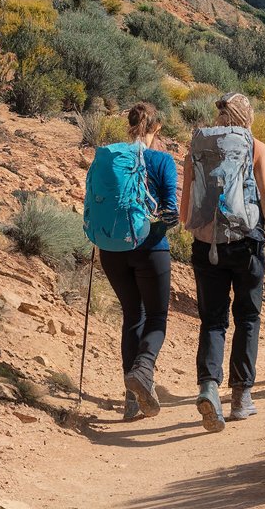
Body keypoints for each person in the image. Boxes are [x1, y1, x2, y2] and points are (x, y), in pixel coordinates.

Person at [179, 92, 265, 432]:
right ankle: (241, 397)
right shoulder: (256, 147)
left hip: (205, 242)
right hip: (246, 244)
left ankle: (208, 387)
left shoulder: (198, 145)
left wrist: (194, 230)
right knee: (247, 318)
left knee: (212, 320)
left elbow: (185, 207)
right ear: (247, 116)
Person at [96, 102, 178, 422]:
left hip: (112, 249)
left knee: (132, 314)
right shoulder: (161, 160)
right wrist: (159, 225)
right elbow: (170, 212)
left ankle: (131, 401)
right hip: (151, 248)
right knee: (156, 316)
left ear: (129, 125)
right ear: (156, 128)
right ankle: (144, 370)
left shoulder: (109, 156)